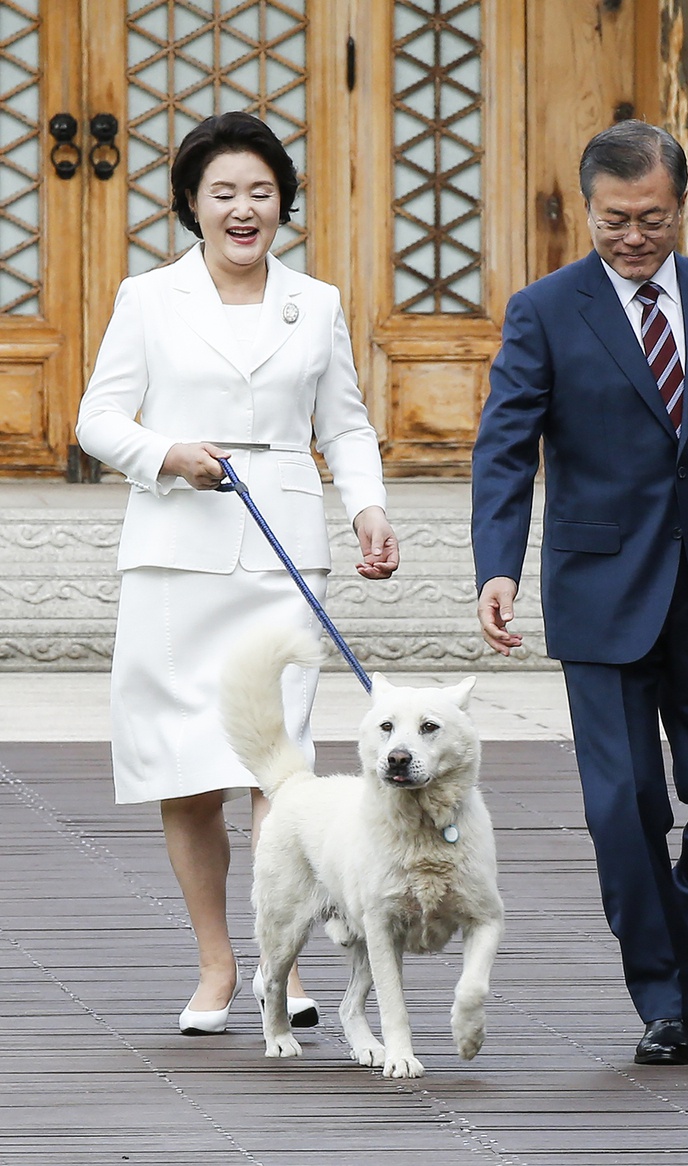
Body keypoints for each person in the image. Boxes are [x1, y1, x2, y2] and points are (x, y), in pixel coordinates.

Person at [471, 120, 688, 1066]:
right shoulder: (545, 310)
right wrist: (497, 566)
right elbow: (505, 449)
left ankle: (668, 939)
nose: (633, 236)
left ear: (681, 207)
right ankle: (665, 1000)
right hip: (601, 592)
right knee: (623, 804)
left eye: (653, 219)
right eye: (615, 219)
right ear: (587, 209)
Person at [75, 111, 399, 1036]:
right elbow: (99, 420)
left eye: (260, 192)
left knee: (280, 766)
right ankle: (217, 963)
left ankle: (280, 962)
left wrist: (367, 505)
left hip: (283, 550)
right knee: (187, 772)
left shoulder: (318, 302)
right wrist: (167, 454)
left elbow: (342, 424)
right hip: (178, 553)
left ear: (283, 203)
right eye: (223, 193)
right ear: (190, 203)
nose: (243, 209)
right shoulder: (148, 298)